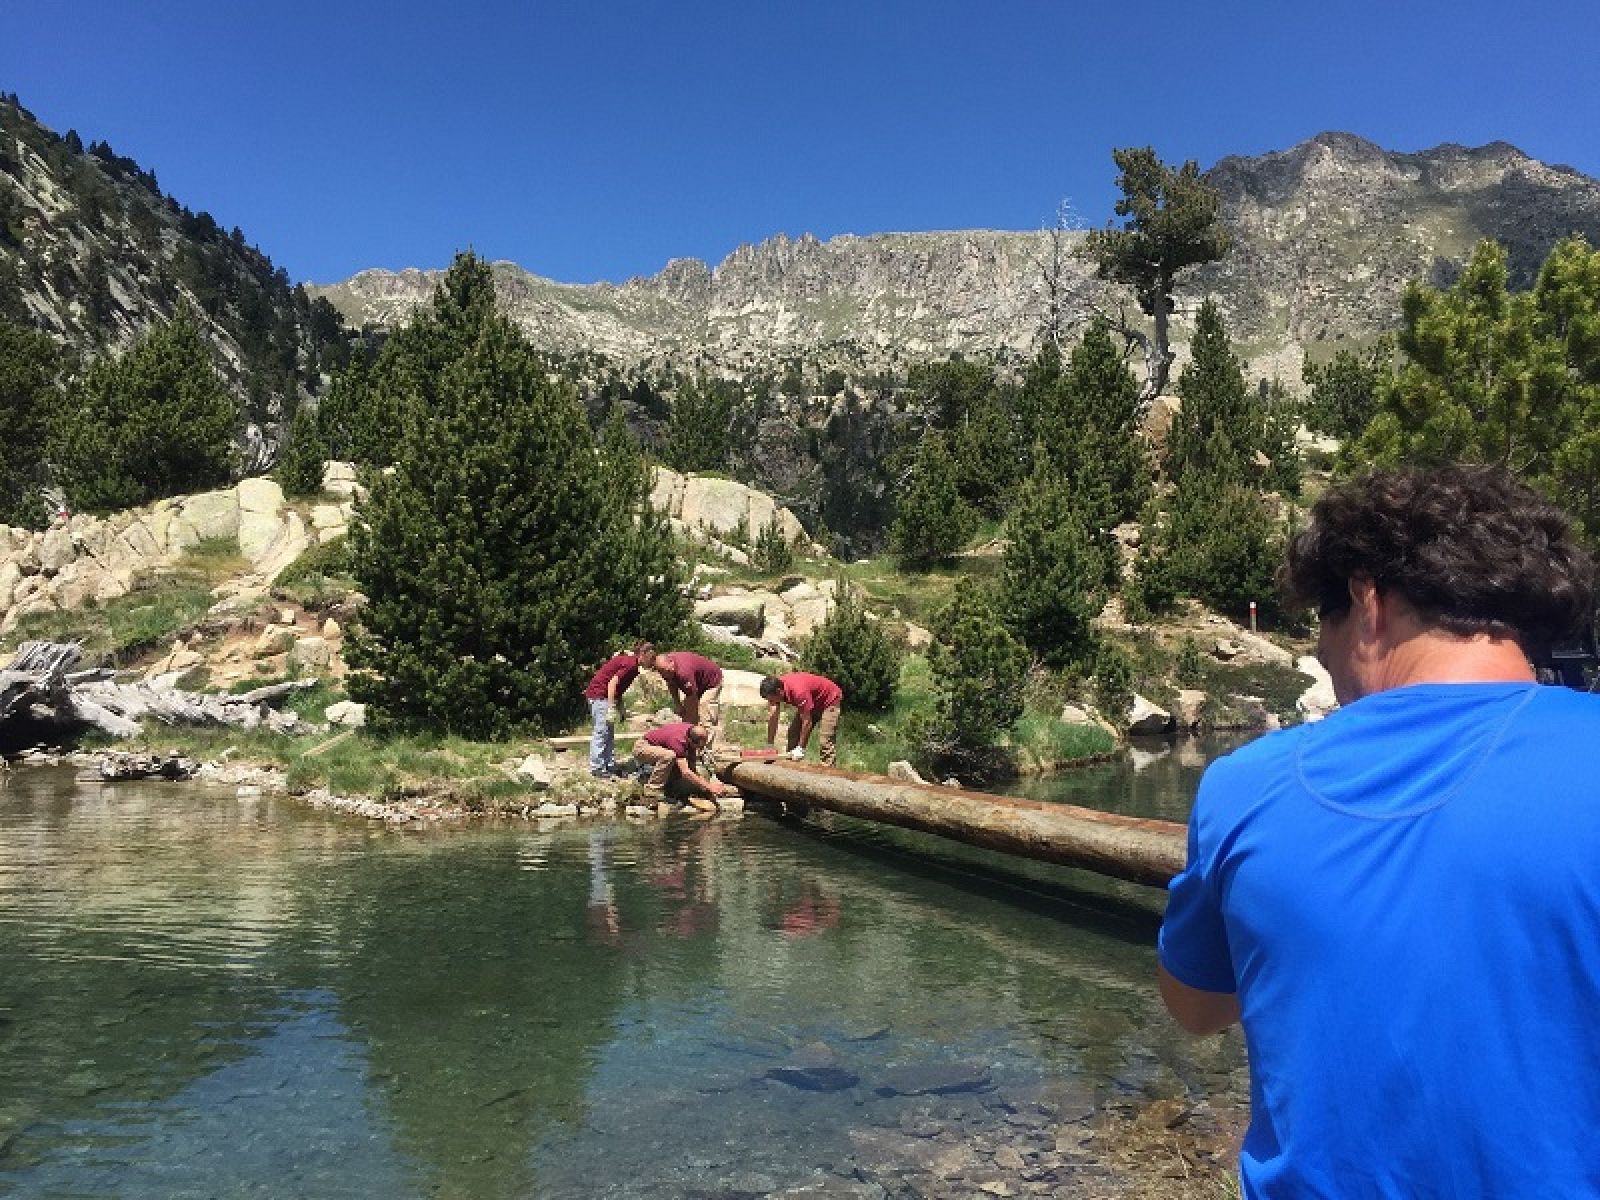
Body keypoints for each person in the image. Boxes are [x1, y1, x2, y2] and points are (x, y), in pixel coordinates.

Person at [1157, 465, 1600, 1198]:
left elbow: (1197, 1006)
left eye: (1323, 628)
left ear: (1366, 598)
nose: (1328, 662)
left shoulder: (1248, 784)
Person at [583, 641, 655, 778]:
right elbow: (612, 684)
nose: (652, 663)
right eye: (651, 659)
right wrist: (610, 707)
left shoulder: (634, 668)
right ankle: (597, 766)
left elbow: (619, 689)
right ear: (643, 655)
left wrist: (621, 708)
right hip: (599, 695)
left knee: (609, 732)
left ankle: (609, 764)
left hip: (606, 697)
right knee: (601, 731)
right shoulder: (630, 664)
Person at [634, 721, 727, 813]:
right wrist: (710, 786)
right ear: (691, 741)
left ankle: (670, 789)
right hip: (643, 747)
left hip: (663, 747)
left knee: (681, 765)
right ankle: (652, 791)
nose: (701, 749)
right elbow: (686, 772)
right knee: (669, 756)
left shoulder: (692, 731)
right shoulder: (678, 741)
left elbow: (692, 768)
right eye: (699, 746)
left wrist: (705, 789)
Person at [760, 671, 843, 766]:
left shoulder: (799, 692)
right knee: (793, 733)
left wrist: (801, 748)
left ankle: (828, 774)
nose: (770, 702)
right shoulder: (777, 688)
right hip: (811, 700)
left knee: (825, 741)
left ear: (779, 692)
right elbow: (773, 717)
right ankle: (791, 767)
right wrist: (770, 745)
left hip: (829, 700)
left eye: (771, 699)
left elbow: (807, 722)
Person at [652, 650, 724, 741]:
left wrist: (690, 720)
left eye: (668, 671)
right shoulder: (666, 669)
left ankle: (705, 749)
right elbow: (671, 684)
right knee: (687, 719)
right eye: (663, 673)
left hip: (711, 681)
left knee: (705, 716)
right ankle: (689, 745)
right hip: (697, 682)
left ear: (671, 661)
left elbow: (692, 697)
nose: (667, 673)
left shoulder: (683, 672)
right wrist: (678, 704)